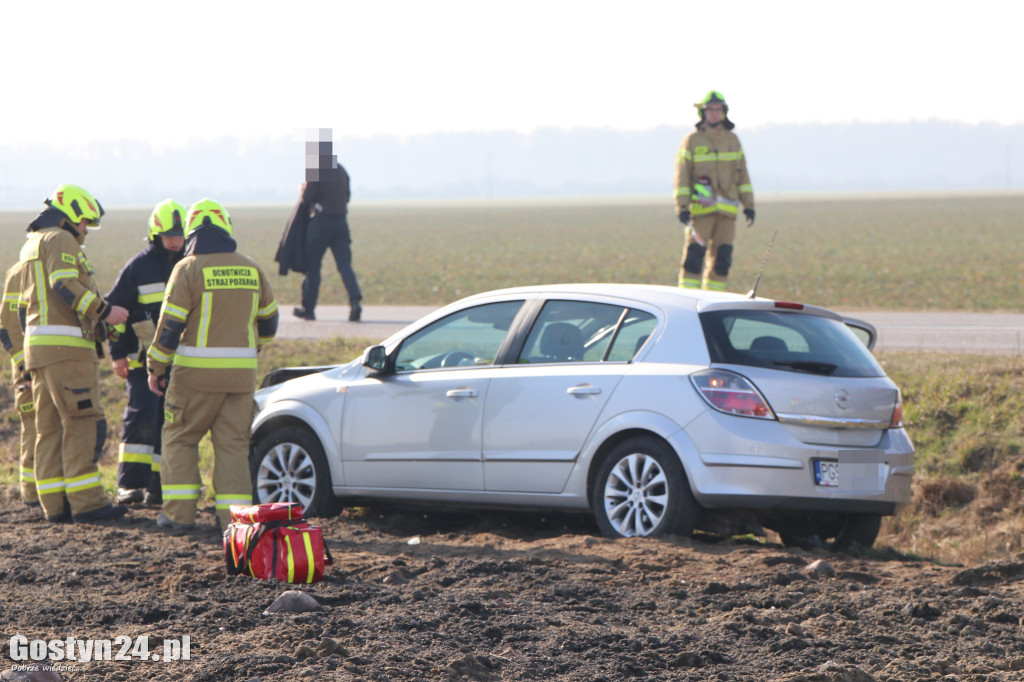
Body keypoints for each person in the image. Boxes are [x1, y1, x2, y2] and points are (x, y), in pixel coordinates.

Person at [146, 198, 279, 530]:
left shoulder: (187, 268)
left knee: (179, 438)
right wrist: (253, 349)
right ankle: (235, 522)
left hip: (194, 378)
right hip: (240, 378)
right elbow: (270, 321)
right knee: (233, 446)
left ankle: (179, 517)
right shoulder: (251, 268)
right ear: (226, 228)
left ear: (192, 232)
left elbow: (170, 327)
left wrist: (156, 367)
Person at [19, 184, 130, 523]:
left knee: (48, 428)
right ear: (71, 216)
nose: (85, 231)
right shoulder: (60, 239)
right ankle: (87, 503)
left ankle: (55, 505)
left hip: (38, 350)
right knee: (82, 422)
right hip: (66, 350)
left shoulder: (32, 243)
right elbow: (64, 284)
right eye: (84, 223)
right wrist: (104, 311)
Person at [105, 199, 186, 506]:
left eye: (179, 234)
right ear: (156, 234)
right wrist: (117, 354)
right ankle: (129, 484)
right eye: (170, 235)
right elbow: (116, 311)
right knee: (140, 418)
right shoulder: (138, 268)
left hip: (178, 363)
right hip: (142, 362)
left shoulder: (189, 262)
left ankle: (159, 487)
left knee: (170, 423)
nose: (176, 240)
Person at [673, 90, 756, 291]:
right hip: (700, 210)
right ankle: (687, 300)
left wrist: (749, 205)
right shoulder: (692, 140)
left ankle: (713, 301)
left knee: (722, 260)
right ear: (703, 112)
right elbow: (682, 176)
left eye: (718, 110)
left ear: (724, 112)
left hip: (727, 212)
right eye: (710, 110)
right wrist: (682, 207)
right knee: (694, 257)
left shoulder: (732, 141)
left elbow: (742, 175)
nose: (714, 114)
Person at [291, 132, 362, 322]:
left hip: (320, 224)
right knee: (345, 266)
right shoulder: (341, 171)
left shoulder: (316, 170)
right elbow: (347, 196)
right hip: (341, 223)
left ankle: (309, 309)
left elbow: (307, 198)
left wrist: (303, 188)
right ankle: (355, 301)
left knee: (313, 268)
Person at [1, 258, 39, 507]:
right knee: (34, 429)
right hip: (29, 369)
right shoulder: (20, 273)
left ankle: (51, 489)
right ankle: (31, 491)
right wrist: (24, 365)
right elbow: (6, 323)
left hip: (50, 364)